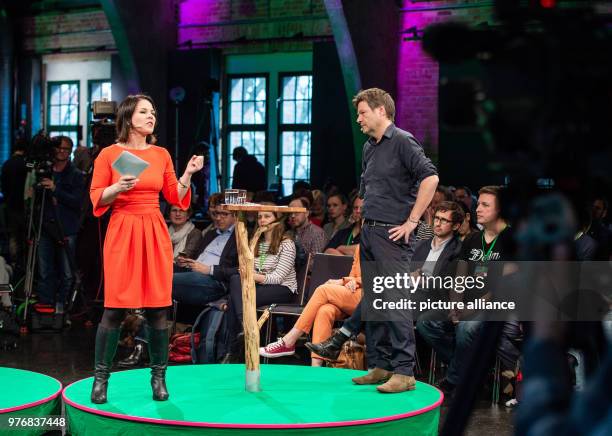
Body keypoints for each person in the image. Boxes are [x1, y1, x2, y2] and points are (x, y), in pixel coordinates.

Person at [89, 94, 203, 404]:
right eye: (144, 111)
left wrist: (188, 174)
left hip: (153, 228)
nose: (151, 116)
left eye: (153, 112)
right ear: (128, 118)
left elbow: (174, 196)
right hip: (123, 229)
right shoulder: (108, 155)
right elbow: (97, 197)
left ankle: (158, 377)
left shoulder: (161, 154)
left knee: (158, 307)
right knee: (114, 308)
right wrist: (117, 187)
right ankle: (101, 379)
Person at [353, 88, 439, 393]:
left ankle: (404, 371)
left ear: (380, 111)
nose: (359, 118)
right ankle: (381, 364)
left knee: (394, 299)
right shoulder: (369, 147)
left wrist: (412, 222)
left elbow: (430, 178)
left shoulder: (402, 140)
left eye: (363, 112)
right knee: (377, 298)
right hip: (370, 230)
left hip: (392, 232)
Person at [260, 246, 362, 366]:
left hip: (371, 297)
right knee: (324, 310)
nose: (362, 226)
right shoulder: (361, 245)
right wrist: (350, 281)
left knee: (323, 290)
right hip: (353, 293)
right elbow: (353, 273)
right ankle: (316, 368)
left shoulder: (380, 240)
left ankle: (289, 340)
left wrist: (346, 281)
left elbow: (382, 274)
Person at [224, 204, 297, 361]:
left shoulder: (287, 244)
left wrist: (250, 275)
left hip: (282, 289)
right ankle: (244, 332)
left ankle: (233, 352)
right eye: (259, 217)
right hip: (260, 286)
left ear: (277, 220)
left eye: (267, 216)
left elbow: (278, 278)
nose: (262, 220)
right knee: (235, 283)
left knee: (236, 293)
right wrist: (248, 274)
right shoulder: (256, 242)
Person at [35, 136, 85, 313]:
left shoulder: (77, 175)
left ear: (70, 151)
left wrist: (56, 190)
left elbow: (78, 202)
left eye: (66, 149)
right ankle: (45, 307)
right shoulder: (44, 171)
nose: (61, 152)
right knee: (44, 270)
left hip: (66, 227)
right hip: (45, 226)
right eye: (59, 148)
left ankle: (62, 308)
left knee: (67, 272)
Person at [1, 139, 28, 267]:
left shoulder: (6, 164)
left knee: (13, 234)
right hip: (24, 206)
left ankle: (13, 262)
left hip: (10, 204)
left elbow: (3, 186)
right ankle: (24, 261)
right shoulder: (26, 165)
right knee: (24, 235)